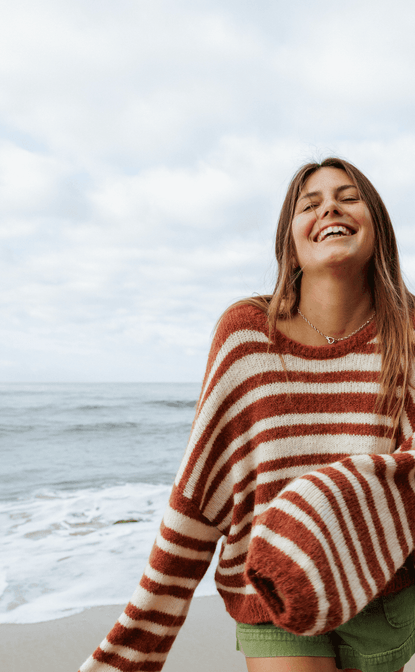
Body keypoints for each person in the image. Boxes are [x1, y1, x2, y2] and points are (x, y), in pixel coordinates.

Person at [79, 158, 415, 672]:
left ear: (377, 225)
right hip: (267, 590)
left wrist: (331, 495)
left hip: (382, 589)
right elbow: (200, 488)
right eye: (311, 203)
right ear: (291, 239)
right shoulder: (248, 335)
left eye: (349, 197)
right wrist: (137, 642)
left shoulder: (407, 333)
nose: (330, 207)